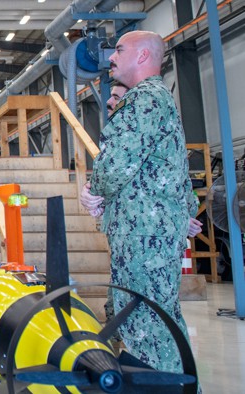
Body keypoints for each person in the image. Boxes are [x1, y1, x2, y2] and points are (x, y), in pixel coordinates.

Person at [79, 30, 201, 374]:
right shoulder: (159, 99)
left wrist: (95, 192)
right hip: (148, 231)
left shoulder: (145, 98)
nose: (111, 58)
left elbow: (115, 164)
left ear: (143, 56)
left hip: (143, 234)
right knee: (160, 319)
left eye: (119, 50)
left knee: (143, 324)